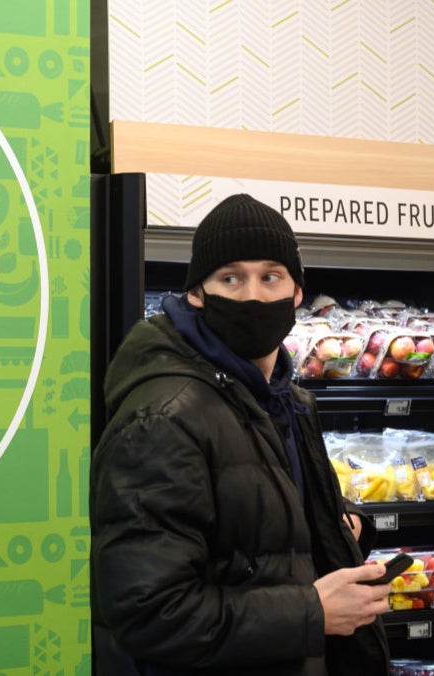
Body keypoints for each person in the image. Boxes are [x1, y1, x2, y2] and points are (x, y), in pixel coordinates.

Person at [90, 193, 392, 675]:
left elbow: (256, 531)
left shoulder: (287, 400)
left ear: (297, 294)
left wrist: (335, 525)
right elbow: (148, 613)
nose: (253, 295)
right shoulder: (163, 417)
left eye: (271, 276)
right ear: (197, 294)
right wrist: (312, 612)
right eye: (231, 278)